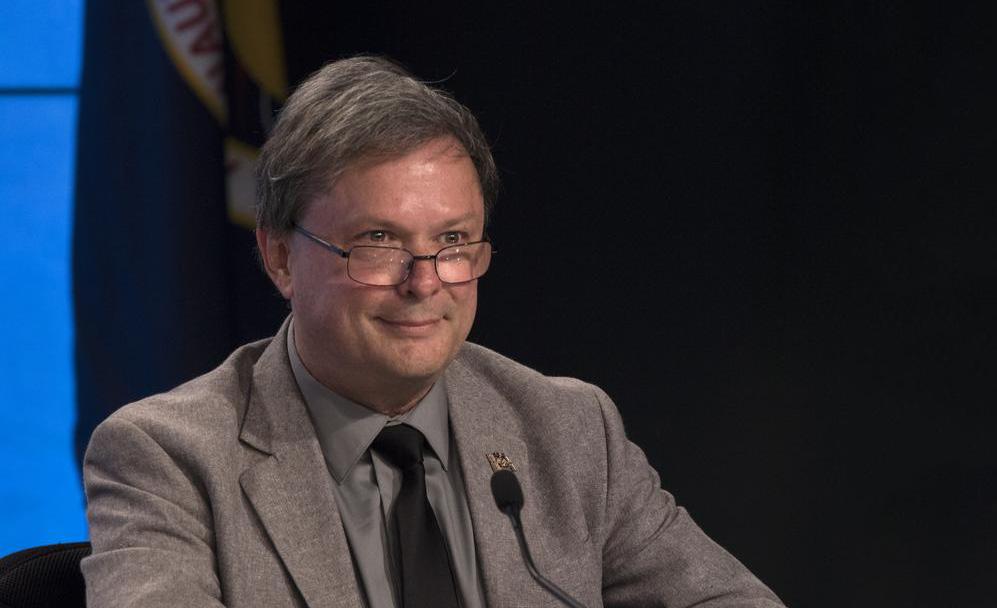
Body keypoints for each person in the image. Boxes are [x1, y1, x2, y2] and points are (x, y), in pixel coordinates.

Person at [82, 56, 785, 608]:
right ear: (278, 257)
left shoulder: (566, 428)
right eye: (378, 240)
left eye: (452, 241)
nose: (424, 284)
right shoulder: (168, 458)